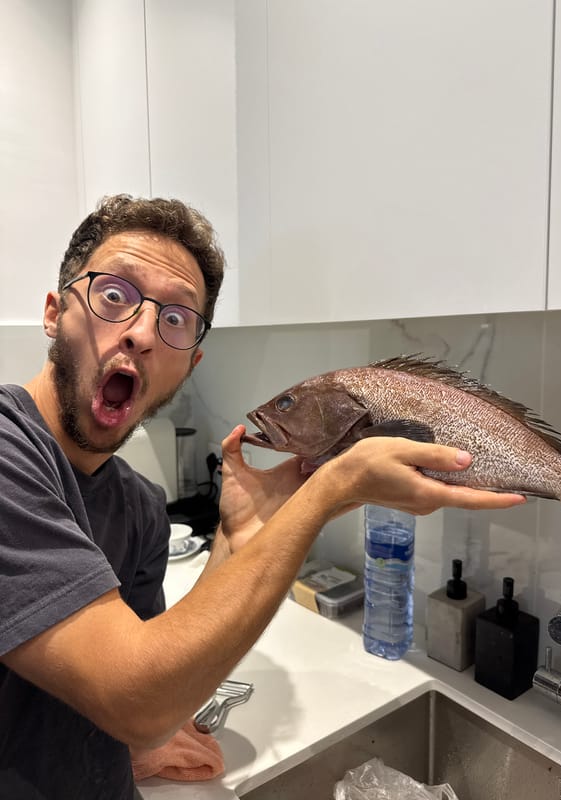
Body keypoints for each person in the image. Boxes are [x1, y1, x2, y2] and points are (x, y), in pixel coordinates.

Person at [0, 195, 525, 799]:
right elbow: (138, 700)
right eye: (114, 295)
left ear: (190, 362)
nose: (143, 332)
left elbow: (157, 679)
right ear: (51, 312)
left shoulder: (141, 508)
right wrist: (327, 490)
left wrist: (238, 541)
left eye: (175, 319)